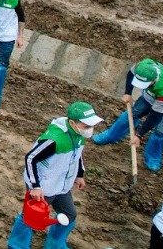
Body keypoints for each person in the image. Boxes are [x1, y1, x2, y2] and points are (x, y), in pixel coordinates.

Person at [6, 102, 102, 249]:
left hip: (62, 185)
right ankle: (17, 244)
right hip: (44, 186)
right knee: (31, 217)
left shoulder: (78, 134)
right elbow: (31, 158)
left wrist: (79, 174)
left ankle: (54, 243)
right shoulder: (54, 140)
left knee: (69, 214)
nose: (90, 129)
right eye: (86, 126)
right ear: (72, 122)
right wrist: (35, 186)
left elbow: (77, 155)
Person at [92, 58, 163, 172]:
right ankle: (111, 135)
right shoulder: (143, 67)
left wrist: (139, 135)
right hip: (149, 96)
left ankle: (152, 156)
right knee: (133, 113)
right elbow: (130, 74)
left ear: (153, 81)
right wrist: (127, 93)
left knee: (161, 130)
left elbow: (155, 116)